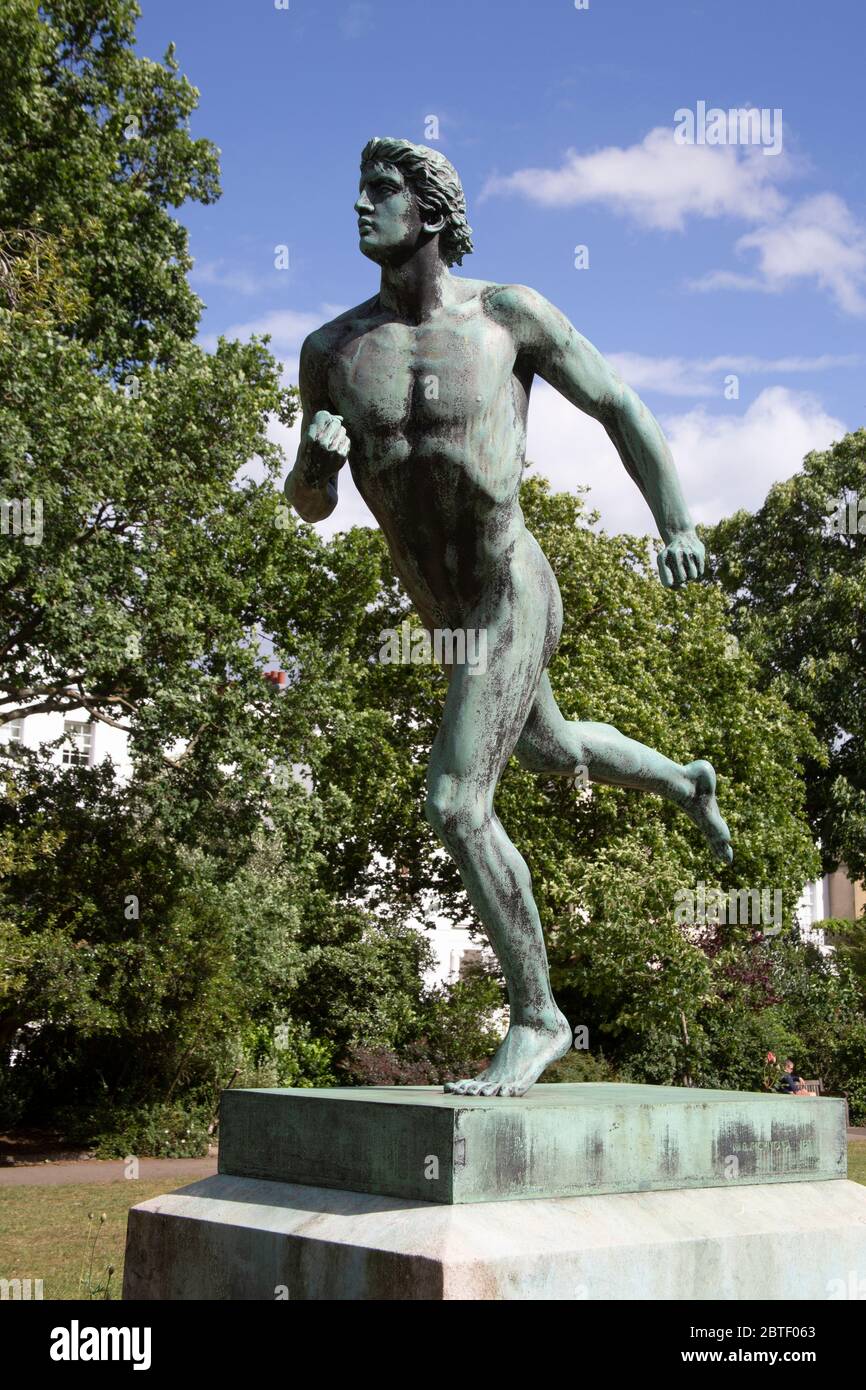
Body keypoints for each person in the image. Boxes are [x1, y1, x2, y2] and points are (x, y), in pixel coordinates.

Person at [285, 137, 733, 1096]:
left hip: (509, 589)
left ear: (432, 215)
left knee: (456, 801)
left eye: (382, 193)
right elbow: (310, 504)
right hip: (443, 613)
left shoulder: (508, 318)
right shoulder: (331, 353)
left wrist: (677, 523)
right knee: (553, 749)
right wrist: (314, 468)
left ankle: (538, 1017)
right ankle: (684, 780)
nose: (361, 208)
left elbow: (617, 405)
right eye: (358, 192)